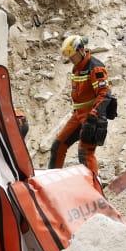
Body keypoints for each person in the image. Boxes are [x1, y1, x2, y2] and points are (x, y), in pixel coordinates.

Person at [48, 34, 113, 180]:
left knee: (85, 153)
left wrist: (94, 116)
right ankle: (51, 182)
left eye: (73, 56)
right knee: (58, 146)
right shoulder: (77, 68)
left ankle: (95, 192)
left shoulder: (96, 67)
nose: (71, 60)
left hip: (91, 116)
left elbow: (104, 94)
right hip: (78, 114)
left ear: (81, 50)